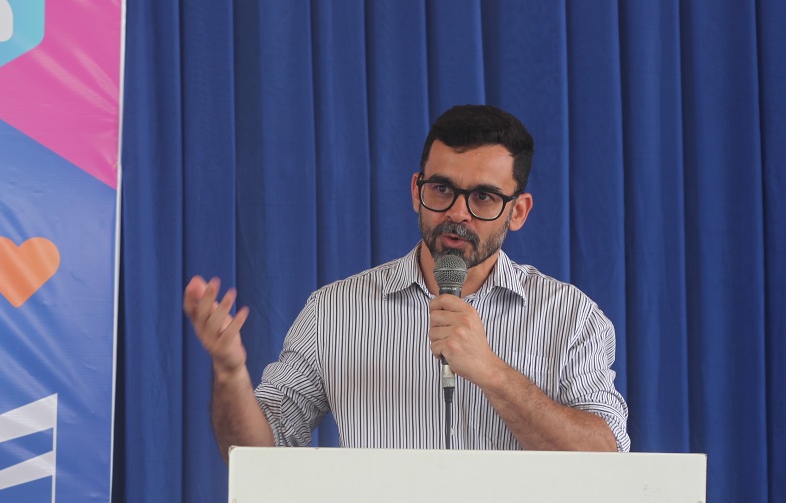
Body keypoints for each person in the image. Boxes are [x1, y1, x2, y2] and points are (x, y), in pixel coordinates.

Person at [182, 104, 629, 458]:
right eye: (442, 190)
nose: (457, 213)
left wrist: (491, 372)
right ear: (416, 190)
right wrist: (230, 372)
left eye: (484, 197)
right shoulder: (335, 311)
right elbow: (256, 457)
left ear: (518, 211)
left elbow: (606, 458)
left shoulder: (570, 316)